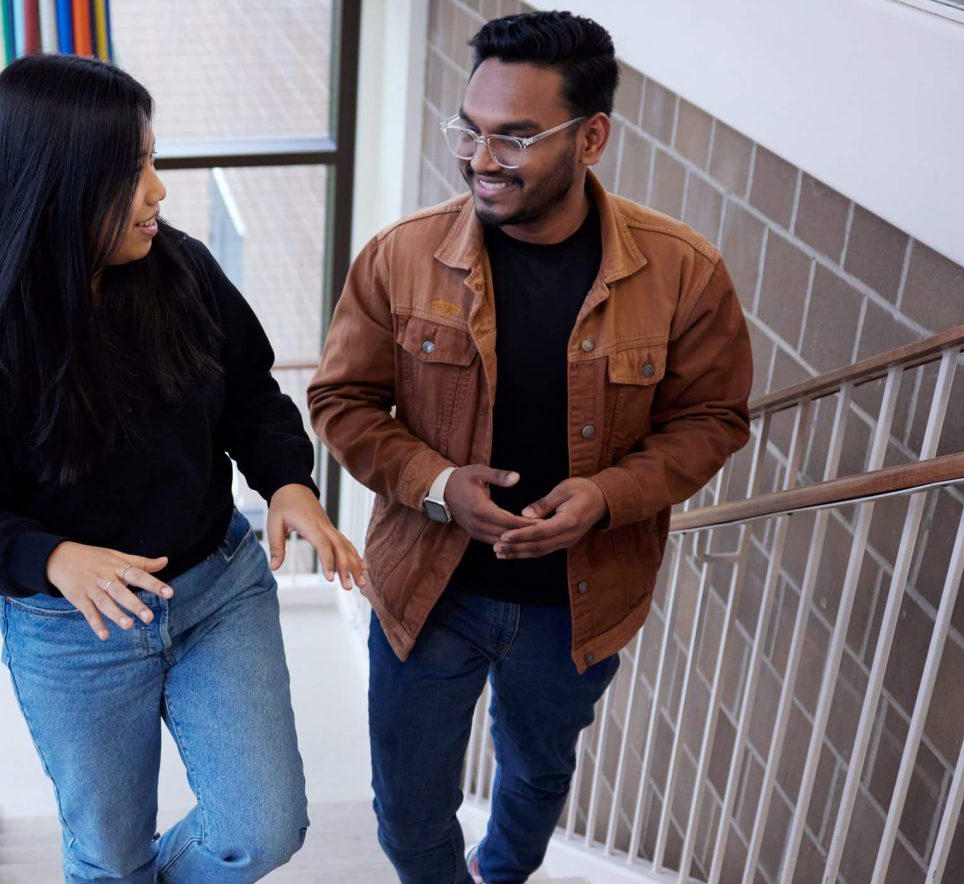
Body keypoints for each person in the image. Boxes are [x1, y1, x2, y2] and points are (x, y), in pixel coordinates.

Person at [0, 53, 367, 883]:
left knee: (263, 830)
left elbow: (249, 395)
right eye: (133, 169)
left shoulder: (180, 268)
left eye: (152, 159)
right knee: (109, 857)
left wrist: (289, 484)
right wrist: (51, 558)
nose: (159, 190)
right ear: (58, 186)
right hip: (74, 632)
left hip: (217, 590)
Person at [307, 11, 753, 883]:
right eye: (469, 130)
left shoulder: (683, 272)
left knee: (539, 773)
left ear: (591, 139)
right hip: (427, 596)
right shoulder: (401, 258)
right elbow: (341, 400)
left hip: (576, 606)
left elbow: (713, 418)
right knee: (406, 807)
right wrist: (435, 484)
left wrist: (608, 496)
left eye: (514, 138)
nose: (479, 159)